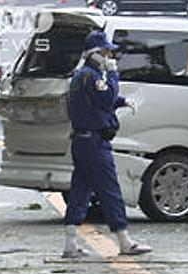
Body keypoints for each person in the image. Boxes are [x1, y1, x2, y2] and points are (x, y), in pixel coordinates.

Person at [63, 30, 152, 258]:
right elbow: (106, 96)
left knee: (80, 192)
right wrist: (113, 74)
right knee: (110, 191)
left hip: (81, 142)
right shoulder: (93, 76)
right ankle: (125, 242)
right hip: (95, 144)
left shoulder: (80, 76)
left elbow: (98, 103)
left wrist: (122, 102)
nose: (110, 55)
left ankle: (70, 244)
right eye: (106, 51)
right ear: (95, 54)